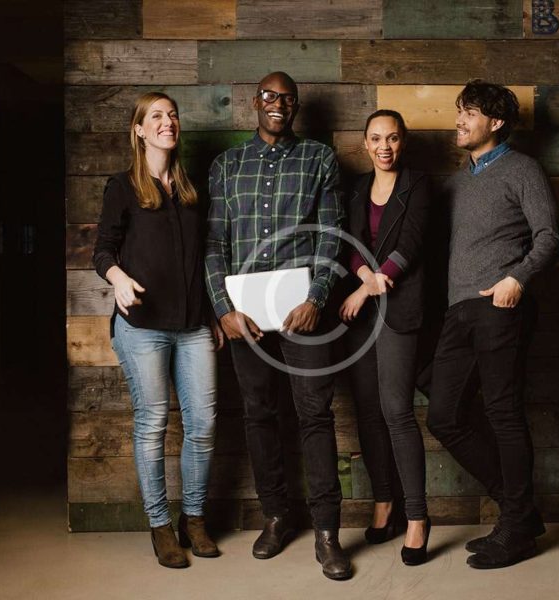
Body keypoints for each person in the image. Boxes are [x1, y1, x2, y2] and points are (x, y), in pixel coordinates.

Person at [205, 71, 352, 581]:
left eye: (287, 99)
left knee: (315, 416)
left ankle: (328, 532)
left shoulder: (319, 159)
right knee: (259, 414)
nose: (278, 105)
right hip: (247, 318)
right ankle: (276, 516)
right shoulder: (226, 166)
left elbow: (331, 237)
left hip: (302, 315)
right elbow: (213, 245)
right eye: (270, 97)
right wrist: (224, 308)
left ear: (295, 107)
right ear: (255, 102)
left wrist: (317, 299)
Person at [426, 80, 559, 569]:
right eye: (459, 111)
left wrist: (517, 279)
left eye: (468, 113)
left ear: (496, 122)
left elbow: (549, 238)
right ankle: (520, 512)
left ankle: (516, 527)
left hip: (501, 305)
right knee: (444, 416)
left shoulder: (522, 169)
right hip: (458, 311)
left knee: (503, 413)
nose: (458, 120)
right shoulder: (459, 180)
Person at [93, 92, 224, 569]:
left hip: (192, 328)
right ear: (140, 131)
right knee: (152, 426)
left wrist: (212, 315)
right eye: (156, 117)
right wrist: (119, 278)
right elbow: (102, 250)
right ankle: (160, 525)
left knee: (204, 426)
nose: (167, 122)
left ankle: (194, 518)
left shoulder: (191, 191)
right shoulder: (122, 187)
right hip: (142, 328)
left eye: (172, 115)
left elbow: (205, 261)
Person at [339, 109, 431, 565]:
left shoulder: (419, 185)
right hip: (360, 316)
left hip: (400, 312)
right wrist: (363, 282)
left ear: (404, 142)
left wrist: (371, 284)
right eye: (376, 138)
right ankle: (384, 504)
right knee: (369, 413)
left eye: (392, 138)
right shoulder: (356, 188)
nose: (384, 147)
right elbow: (347, 242)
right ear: (364, 143)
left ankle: (417, 517)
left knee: (397, 411)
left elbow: (409, 245)